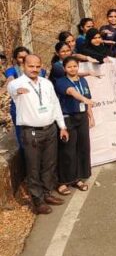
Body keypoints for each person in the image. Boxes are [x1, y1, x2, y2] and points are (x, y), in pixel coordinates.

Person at [7, 54, 69, 215]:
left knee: (49, 164)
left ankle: (47, 193)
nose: (34, 69)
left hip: (50, 130)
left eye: (37, 66)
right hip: (31, 132)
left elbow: (55, 105)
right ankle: (38, 201)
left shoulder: (46, 83)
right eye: (30, 66)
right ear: (23, 66)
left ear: (41, 66)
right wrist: (17, 91)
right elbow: (11, 89)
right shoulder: (17, 83)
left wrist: (62, 126)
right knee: (33, 167)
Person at [54, 56, 93, 196]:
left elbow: (88, 99)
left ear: (78, 66)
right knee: (68, 150)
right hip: (68, 118)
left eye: (75, 66)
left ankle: (78, 178)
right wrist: (84, 99)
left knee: (82, 148)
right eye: (69, 67)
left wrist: (91, 116)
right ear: (64, 68)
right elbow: (71, 91)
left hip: (82, 117)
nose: (72, 69)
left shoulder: (83, 80)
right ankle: (63, 181)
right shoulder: (61, 82)